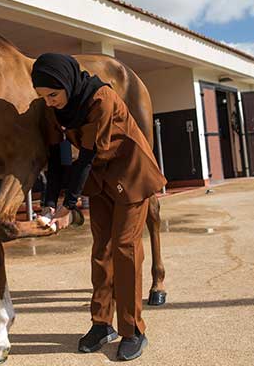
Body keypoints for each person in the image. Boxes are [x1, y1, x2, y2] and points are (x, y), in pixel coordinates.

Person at [32, 53, 166, 361]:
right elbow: (56, 158)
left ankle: (133, 330)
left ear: (68, 82)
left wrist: (70, 204)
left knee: (124, 247)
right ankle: (102, 324)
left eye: (53, 94)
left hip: (130, 173)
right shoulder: (52, 110)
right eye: (43, 97)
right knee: (101, 249)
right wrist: (50, 205)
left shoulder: (101, 99)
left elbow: (88, 155)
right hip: (99, 178)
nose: (49, 102)